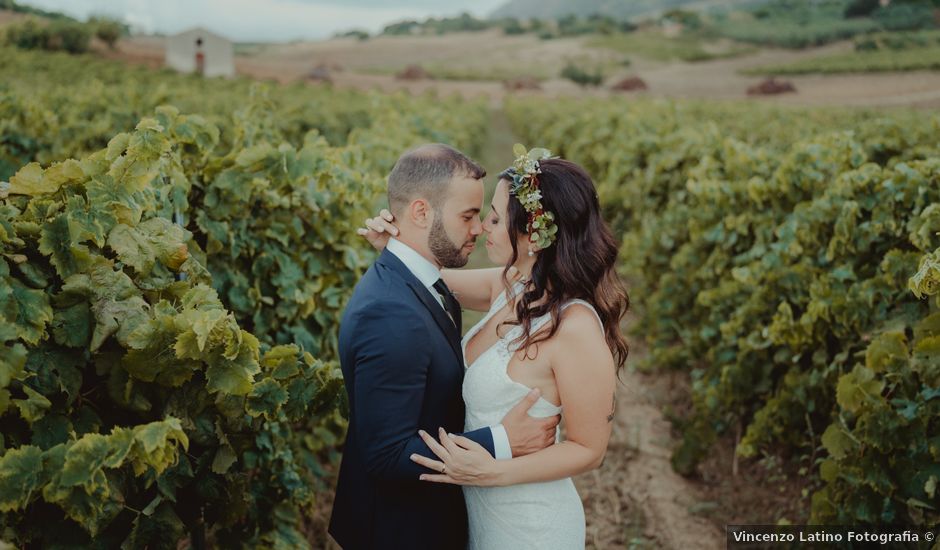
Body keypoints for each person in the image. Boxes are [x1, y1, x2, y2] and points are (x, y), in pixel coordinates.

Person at [358, 145, 629, 549]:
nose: (483, 226)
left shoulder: (575, 328)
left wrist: (491, 473)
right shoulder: (512, 287)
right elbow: (430, 278)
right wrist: (397, 241)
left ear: (533, 236)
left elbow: (589, 450)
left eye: (496, 218)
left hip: (530, 524)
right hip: (478, 511)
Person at [328, 143, 560, 550]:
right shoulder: (390, 313)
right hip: (401, 532)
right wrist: (501, 440)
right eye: (469, 216)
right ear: (421, 212)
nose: (478, 228)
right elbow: (386, 455)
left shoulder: (422, 281)